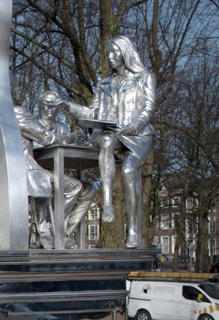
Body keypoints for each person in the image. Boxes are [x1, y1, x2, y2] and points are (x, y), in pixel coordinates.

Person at [54, 35, 156, 248]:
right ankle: (107, 203)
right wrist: (67, 105)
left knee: (128, 171)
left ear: (125, 53)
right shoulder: (104, 84)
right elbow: (92, 112)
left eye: (114, 52)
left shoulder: (144, 77)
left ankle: (133, 231)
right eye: (108, 53)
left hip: (138, 135)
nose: (110, 57)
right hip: (113, 133)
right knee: (107, 141)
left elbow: (148, 108)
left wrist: (132, 127)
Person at [11, 81, 96, 249]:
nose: (49, 109)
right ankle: (51, 234)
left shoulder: (62, 127)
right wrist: (66, 139)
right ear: (40, 106)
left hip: (48, 171)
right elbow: (44, 139)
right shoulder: (25, 117)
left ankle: (61, 232)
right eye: (46, 105)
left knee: (90, 189)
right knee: (74, 186)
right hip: (34, 170)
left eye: (54, 105)